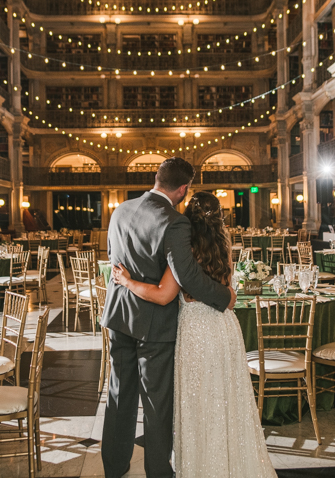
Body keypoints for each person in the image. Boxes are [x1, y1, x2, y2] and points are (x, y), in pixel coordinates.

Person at [112, 191, 277, 478]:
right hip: (225, 329)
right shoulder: (223, 247)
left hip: (196, 332)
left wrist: (127, 281)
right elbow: (230, 293)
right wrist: (228, 297)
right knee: (228, 401)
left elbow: (163, 295)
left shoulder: (183, 250)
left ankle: (204, 467)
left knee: (199, 404)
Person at [101, 158, 236, 478]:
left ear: (156, 179)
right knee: (156, 406)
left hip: (120, 315)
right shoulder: (174, 222)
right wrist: (224, 297)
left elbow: (112, 256)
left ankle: (114, 467)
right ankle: (159, 473)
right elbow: (187, 276)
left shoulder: (120, 209)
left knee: (119, 395)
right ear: (183, 188)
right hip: (154, 326)